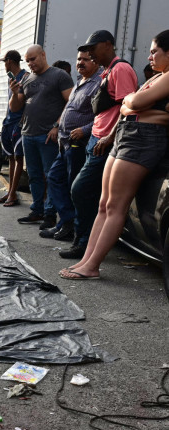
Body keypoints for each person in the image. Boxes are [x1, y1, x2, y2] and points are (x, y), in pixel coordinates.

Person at [60, 30, 169, 280]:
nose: (149, 57)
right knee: (104, 204)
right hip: (127, 133)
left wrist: (132, 101)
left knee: (116, 205)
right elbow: (126, 107)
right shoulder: (159, 77)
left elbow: (134, 103)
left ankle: (92, 266)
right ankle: (86, 260)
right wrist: (133, 103)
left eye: (154, 52)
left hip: (143, 138)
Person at [61, 30, 139, 259]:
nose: (91, 54)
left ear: (107, 45)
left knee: (80, 189)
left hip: (104, 142)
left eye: (93, 49)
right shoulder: (108, 70)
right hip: (96, 139)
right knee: (91, 194)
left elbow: (128, 109)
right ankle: (85, 242)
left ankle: (84, 242)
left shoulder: (121, 69)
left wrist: (109, 138)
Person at [9, 44, 74, 230]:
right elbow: (15, 107)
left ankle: (49, 214)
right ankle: (37, 210)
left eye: (33, 59)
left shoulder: (59, 75)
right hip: (28, 134)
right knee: (34, 175)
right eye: (27, 61)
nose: (30, 63)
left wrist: (57, 126)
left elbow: (71, 103)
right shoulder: (27, 79)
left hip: (47, 136)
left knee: (50, 175)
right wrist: (14, 93)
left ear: (43, 55)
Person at [40, 51, 101, 242]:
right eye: (79, 59)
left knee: (74, 187)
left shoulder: (99, 83)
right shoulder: (80, 82)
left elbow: (104, 116)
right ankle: (66, 222)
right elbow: (69, 108)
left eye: (85, 59)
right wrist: (58, 126)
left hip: (80, 144)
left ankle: (72, 228)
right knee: (54, 178)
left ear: (95, 61)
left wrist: (84, 130)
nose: (80, 63)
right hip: (65, 143)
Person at [0, 50, 28, 207]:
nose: (4, 65)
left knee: (18, 157)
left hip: (19, 123)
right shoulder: (12, 78)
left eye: (4, 62)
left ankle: (13, 194)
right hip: (9, 122)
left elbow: (24, 102)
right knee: (11, 158)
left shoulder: (25, 77)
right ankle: (10, 191)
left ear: (9, 61)